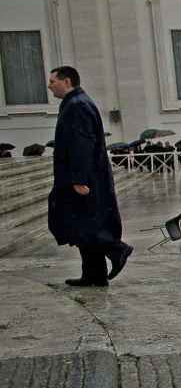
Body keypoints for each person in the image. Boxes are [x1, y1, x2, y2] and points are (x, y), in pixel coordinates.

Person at [46, 66, 133, 287]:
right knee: (84, 223)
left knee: (83, 224)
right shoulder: (77, 103)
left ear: (67, 82)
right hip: (86, 176)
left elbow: (81, 144)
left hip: (85, 178)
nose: (49, 86)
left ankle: (117, 250)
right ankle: (94, 274)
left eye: (52, 81)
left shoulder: (77, 106)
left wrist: (79, 179)